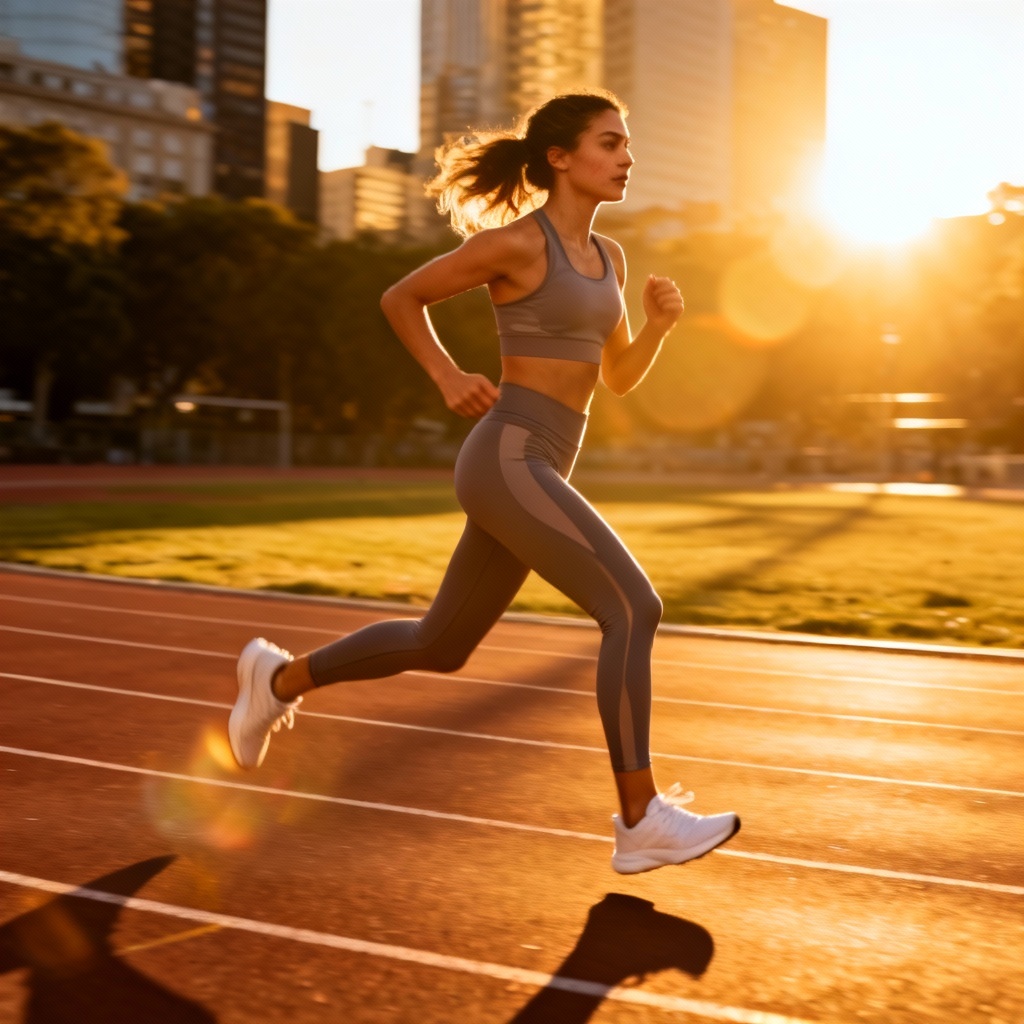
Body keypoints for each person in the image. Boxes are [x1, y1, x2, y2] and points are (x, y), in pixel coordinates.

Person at [228, 91, 740, 874]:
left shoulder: (611, 260)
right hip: (509, 455)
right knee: (632, 607)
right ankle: (639, 817)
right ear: (562, 158)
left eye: (628, 144)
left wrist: (660, 327)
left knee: (441, 644)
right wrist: (445, 374)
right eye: (611, 143)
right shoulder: (517, 246)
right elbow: (402, 296)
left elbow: (619, 379)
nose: (627, 157)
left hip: (541, 463)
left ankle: (278, 677)